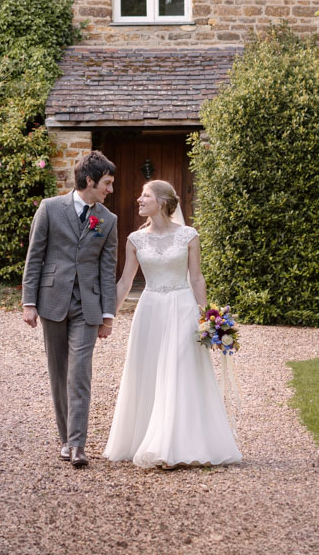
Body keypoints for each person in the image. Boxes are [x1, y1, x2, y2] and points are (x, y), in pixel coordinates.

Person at [103, 179, 242, 469]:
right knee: (152, 370)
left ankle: (174, 444)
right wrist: (107, 316)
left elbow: (196, 278)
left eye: (146, 196)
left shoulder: (189, 235)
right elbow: (125, 282)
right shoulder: (135, 240)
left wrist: (207, 319)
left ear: (163, 202)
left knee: (178, 370)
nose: (138, 200)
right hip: (150, 310)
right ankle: (149, 439)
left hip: (182, 307)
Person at [22, 151, 118, 468]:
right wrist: (29, 302)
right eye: (107, 182)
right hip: (52, 301)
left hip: (88, 307)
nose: (110, 189)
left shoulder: (107, 219)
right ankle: (64, 439)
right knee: (58, 373)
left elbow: (108, 271)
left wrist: (108, 315)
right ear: (89, 181)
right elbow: (35, 257)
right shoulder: (49, 209)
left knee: (80, 374)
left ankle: (78, 445)